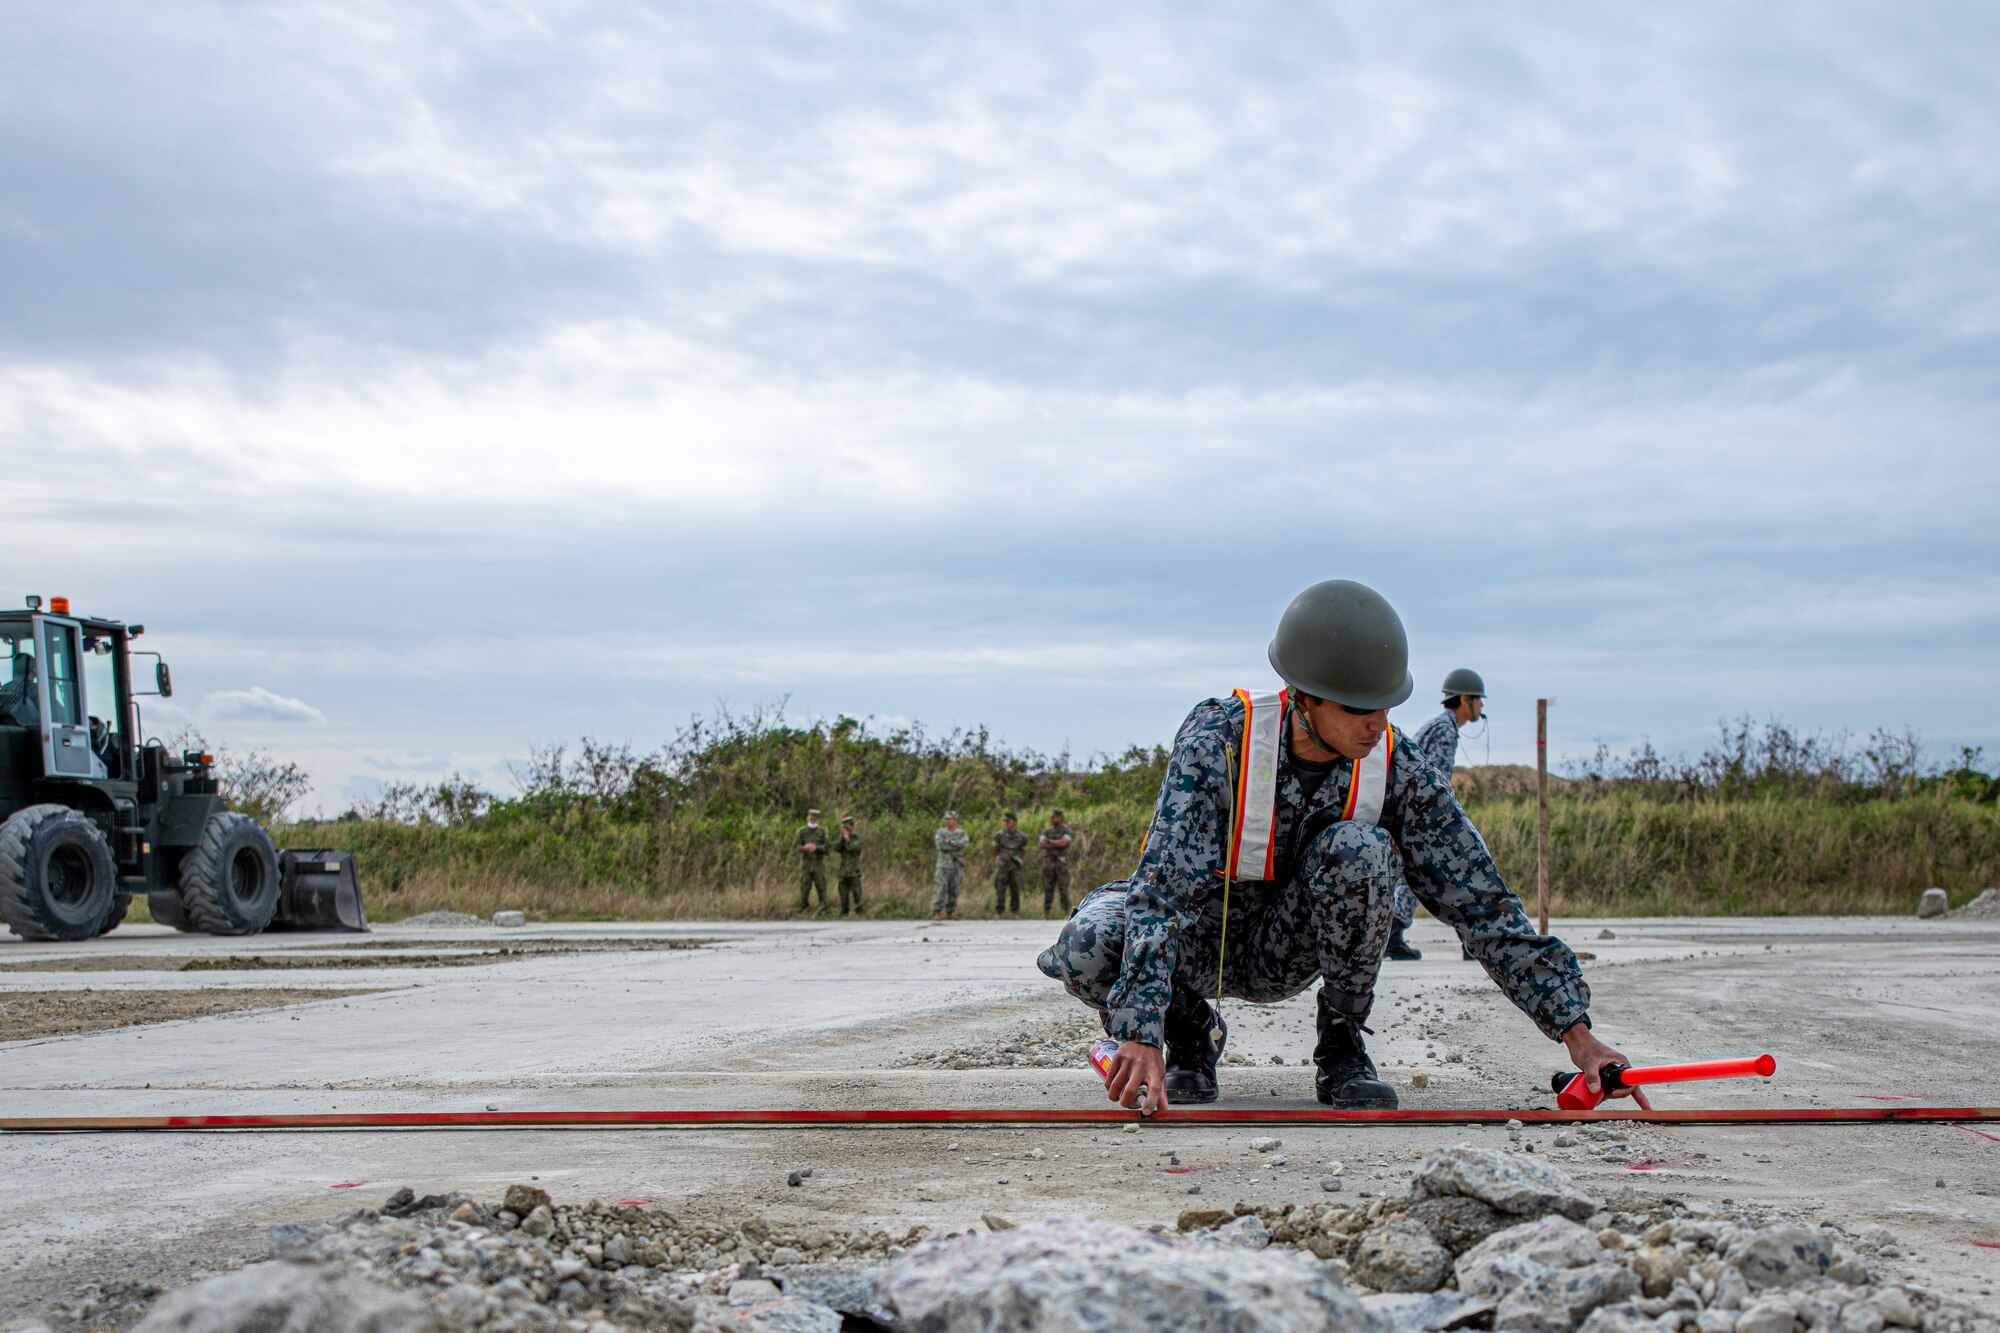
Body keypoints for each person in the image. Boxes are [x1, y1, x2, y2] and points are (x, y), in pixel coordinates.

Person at [1037, 578, 1647, 1114]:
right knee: (1087, 945)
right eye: (1358, 708)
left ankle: (1341, 1040)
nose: (1377, 723)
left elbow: (1481, 902)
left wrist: (1577, 1031)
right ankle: (1189, 1030)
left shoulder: (1397, 765)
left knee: (1362, 850)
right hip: (1206, 939)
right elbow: (1162, 892)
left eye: (1386, 705)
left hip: (1292, 946)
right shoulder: (1219, 742)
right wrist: (1140, 1028)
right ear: (1304, 696)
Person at [1384, 670, 1485, 962]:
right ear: (1465, 699)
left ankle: (1398, 931)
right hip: (1422, 814)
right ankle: (1471, 940)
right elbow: (1435, 780)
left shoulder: (1441, 726)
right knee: (1452, 875)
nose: (1481, 707)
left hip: (1411, 811)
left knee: (1439, 876)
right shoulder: (1445, 730)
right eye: (1478, 700)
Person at [931, 810, 969, 921]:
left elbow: (964, 844)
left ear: (955, 820)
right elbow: (941, 846)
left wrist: (950, 842)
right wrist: (955, 846)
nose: (947, 821)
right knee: (941, 889)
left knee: (954, 890)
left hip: (957, 865)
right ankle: (937, 912)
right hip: (944, 865)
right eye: (946, 819)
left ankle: (950, 912)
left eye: (950, 819)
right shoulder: (941, 832)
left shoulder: (961, 833)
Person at [1037, 810, 1074, 917]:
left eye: (1056, 817)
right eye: (1052, 817)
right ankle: (1046, 913)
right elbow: (1041, 844)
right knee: (1048, 888)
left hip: (1061, 864)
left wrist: (1050, 842)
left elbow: (1063, 843)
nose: (1054, 819)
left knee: (1064, 889)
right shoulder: (1047, 831)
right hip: (1048, 864)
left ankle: (1066, 913)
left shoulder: (1066, 831)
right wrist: (1056, 843)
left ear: (1061, 818)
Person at [795, 809, 831, 913]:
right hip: (806, 866)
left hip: (819, 866)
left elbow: (827, 848)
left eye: (815, 819)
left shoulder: (823, 832)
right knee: (804, 888)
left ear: (818, 820)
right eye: (811, 819)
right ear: (807, 818)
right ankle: (804, 908)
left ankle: (823, 909)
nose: (812, 821)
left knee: (822, 888)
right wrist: (804, 847)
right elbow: (795, 847)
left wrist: (817, 848)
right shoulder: (801, 831)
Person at [992, 813, 1028, 916]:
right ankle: (999, 913)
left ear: (1014, 822)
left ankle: (1014, 913)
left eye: (1008, 821)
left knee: (1015, 889)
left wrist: (1015, 860)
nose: (1006, 823)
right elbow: (995, 850)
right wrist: (1003, 858)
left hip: (1015, 867)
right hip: (1002, 866)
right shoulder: (999, 835)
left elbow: (1023, 852)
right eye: (1005, 821)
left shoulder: (1021, 836)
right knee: (1000, 889)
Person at [835, 816, 865, 916]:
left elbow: (853, 848)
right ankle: (844, 912)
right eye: (844, 827)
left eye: (847, 827)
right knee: (843, 893)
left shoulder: (857, 838)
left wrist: (847, 838)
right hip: (844, 871)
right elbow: (836, 848)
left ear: (852, 826)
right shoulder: (842, 839)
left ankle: (860, 912)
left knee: (857, 893)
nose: (845, 830)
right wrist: (842, 838)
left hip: (854, 871)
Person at [0, 651, 37, 728]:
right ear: (32, 670)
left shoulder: (3, 689)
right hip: (33, 734)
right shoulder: (35, 690)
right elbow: (59, 714)